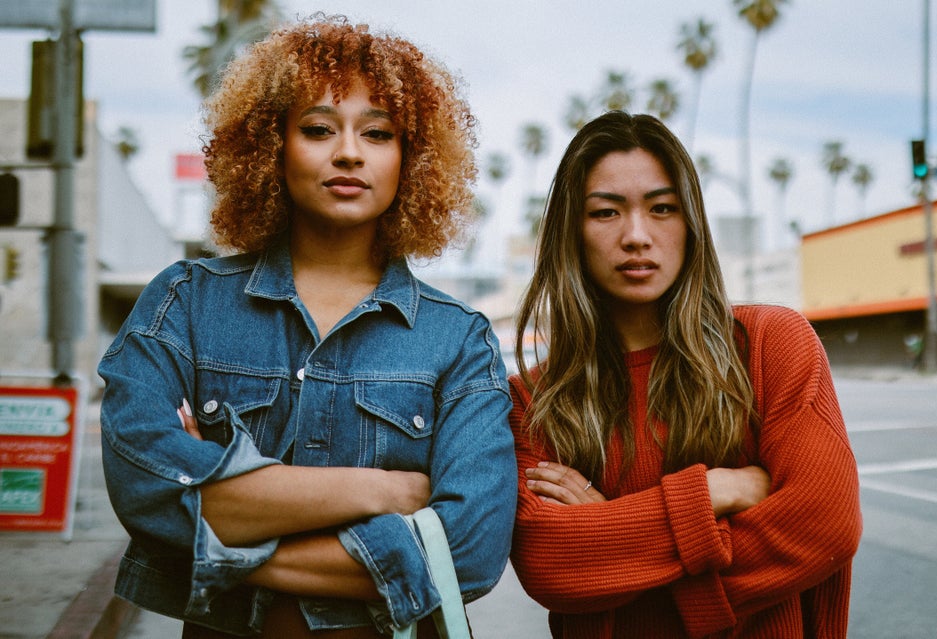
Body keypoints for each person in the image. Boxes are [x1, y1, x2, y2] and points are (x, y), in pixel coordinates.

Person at [98, 15, 516, 638]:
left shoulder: (457, 340)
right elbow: (148, 490)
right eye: (317, 128)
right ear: (271, 146)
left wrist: (227, 528)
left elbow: (470, 554)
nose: (348, 151)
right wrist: (385, 493)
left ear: (411, 158)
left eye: (378, 132)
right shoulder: (185, 305)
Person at [509, 111, 862, 638]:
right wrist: (717, 490)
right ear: (572, 232)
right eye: (606, 213)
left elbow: (823, 524)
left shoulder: (771, 344)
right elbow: (550, 563)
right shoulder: (534, 398)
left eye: (662, 209)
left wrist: (613, 530)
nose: (636, 236)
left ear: (691, 221)